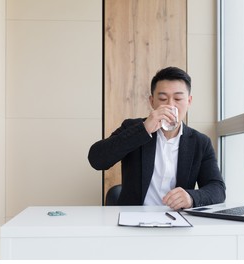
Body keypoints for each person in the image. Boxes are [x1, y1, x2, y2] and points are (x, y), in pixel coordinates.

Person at [88, 66, 226, 210]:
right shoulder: (133, 127)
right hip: (133, 220)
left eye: (178, 98)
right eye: (162, 98)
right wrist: (144, 129)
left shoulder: (200, 142)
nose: (170, 105)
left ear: (189, 101)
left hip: (178, 220)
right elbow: (96, 159)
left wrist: (191, 197)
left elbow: (217, 188)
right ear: (152, 101)